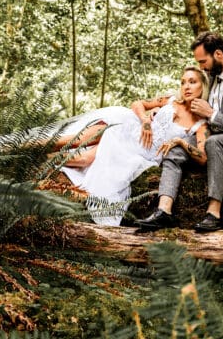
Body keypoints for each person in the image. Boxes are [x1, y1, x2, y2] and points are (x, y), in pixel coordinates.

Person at [136, 31, 223, 233]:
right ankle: (164, 211)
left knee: (214, 142)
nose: (202, 67)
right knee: (175, 148)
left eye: (203, 61)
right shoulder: (211, 73)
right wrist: (160, 112)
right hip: (206, 133)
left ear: (218, 54)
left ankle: (214, 212)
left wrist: (211, 114)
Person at [57, 66, 211, 225]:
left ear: (203, 86)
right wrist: (145, 120)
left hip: (144, 155)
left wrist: (181, 142)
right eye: (183, 82)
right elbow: (138, 103)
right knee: (82, 151)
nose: (186, 86)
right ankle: (41, 154)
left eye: (192, 82)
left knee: (85, 159)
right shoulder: (171, 100)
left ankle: (46, 157)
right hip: (130, 133)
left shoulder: (201, 125)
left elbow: (203, 158)